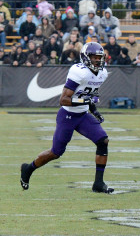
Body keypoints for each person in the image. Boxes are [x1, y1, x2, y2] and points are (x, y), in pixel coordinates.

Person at [21, 42, 114, 194]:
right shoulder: (79, 72)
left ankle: (98, 183)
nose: (98, 60)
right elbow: (63, 100)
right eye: (94, 57)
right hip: (68, 115)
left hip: (83, 115)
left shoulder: (102, 73)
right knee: (55, 152)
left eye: (99, 57)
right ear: (85, 57)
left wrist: (94, 110)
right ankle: (28, 168)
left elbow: (88, 95)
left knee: (103, 141)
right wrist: (86, 102)